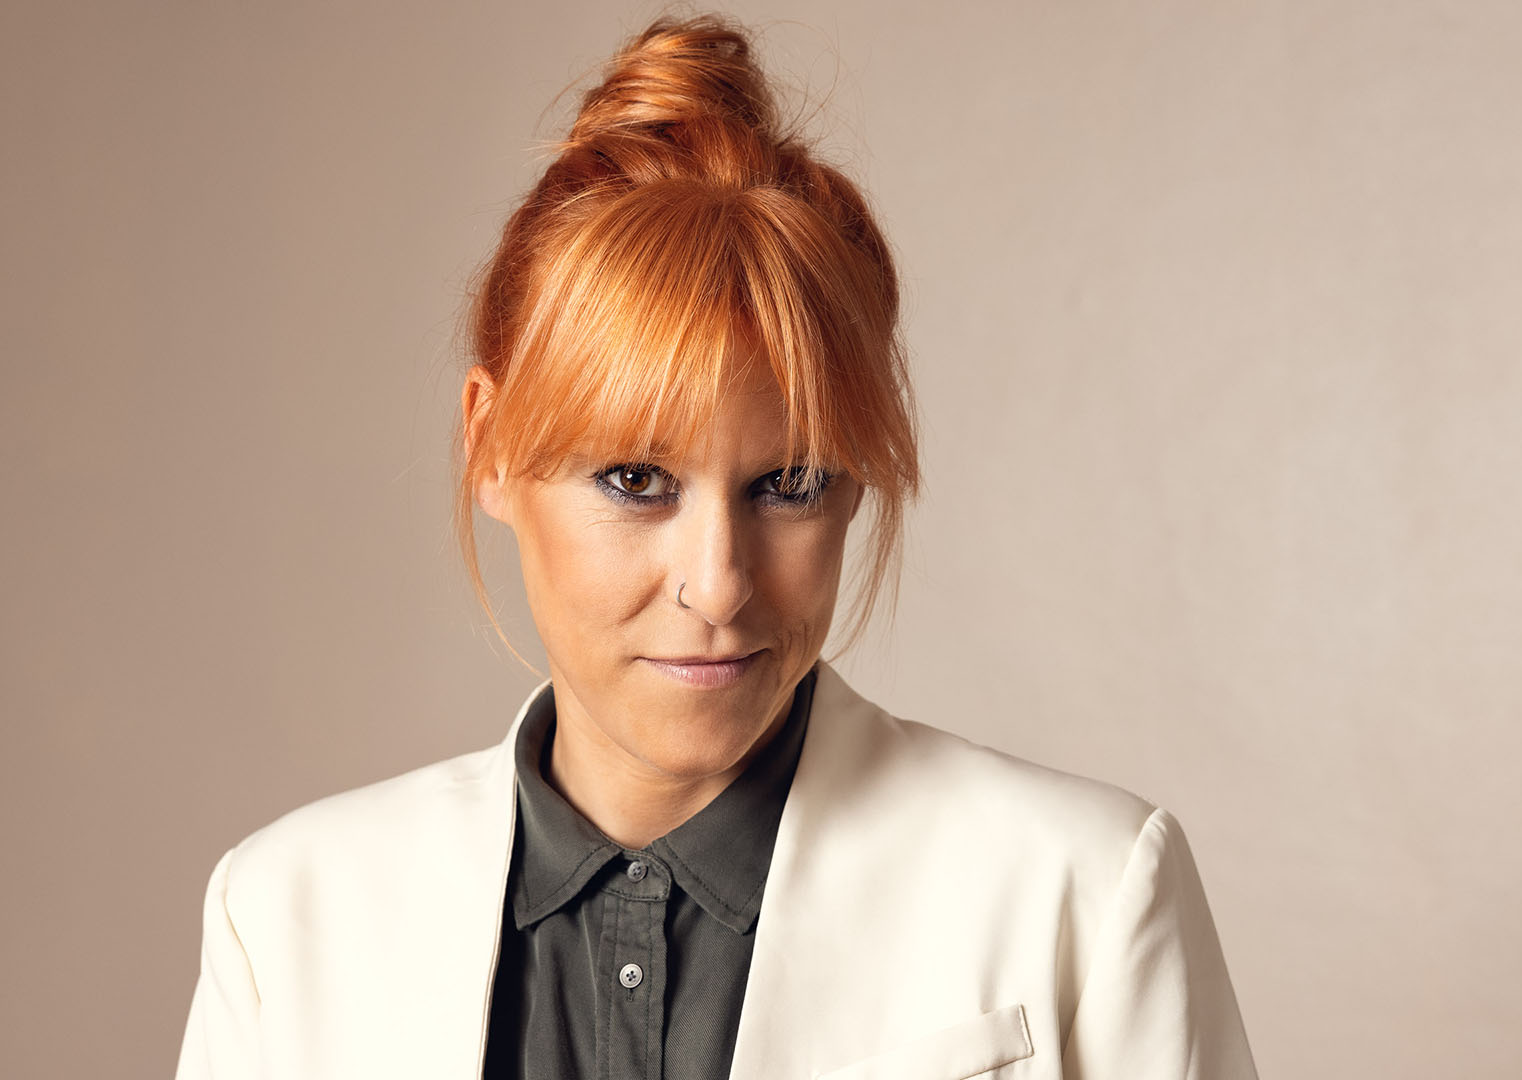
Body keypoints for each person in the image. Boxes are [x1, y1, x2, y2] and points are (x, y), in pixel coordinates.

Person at [174, 14, 1258, 1079]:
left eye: (790, 484)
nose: (721, 584)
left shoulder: (1085, 895)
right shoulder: (285, 923)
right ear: (490, 448)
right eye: (635, 480)